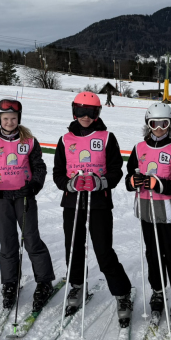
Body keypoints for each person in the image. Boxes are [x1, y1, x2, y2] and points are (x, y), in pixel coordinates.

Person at [52, 91, 133, 324]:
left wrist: (101, 182)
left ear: (97, 113)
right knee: (73, 247)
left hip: (98, 203)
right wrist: (69, 184)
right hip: (72, 201)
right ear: (73, 111)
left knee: (103, 251)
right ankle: (77, 285)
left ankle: (122, 293)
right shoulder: (65, 139)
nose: (85, 116)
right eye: (80, 111)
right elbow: (58, 173)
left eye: (91, 112)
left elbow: (117, 170)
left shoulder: (107, 137)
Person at [0, 99, 56, 310]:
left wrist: (34, 186)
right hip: (1, 197)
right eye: (5, 118)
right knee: (8, 241)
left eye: (13, 118)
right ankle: (10, 282)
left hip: (24, 196)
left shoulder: (29, 141)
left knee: (31, 239)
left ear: (19, 119)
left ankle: (44, 281)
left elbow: (39, 168)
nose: (10, 122)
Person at [125, 103, 171, 319]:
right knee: (152, 252)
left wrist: (158, 184)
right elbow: (129, 174)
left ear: (170, 124)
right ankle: (158, 290)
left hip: (167, 209)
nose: (159, 128)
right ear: (148, 124)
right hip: (145, 207)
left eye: (164, 123)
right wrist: (133, 181)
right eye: (154, 123)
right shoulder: (139, 148)